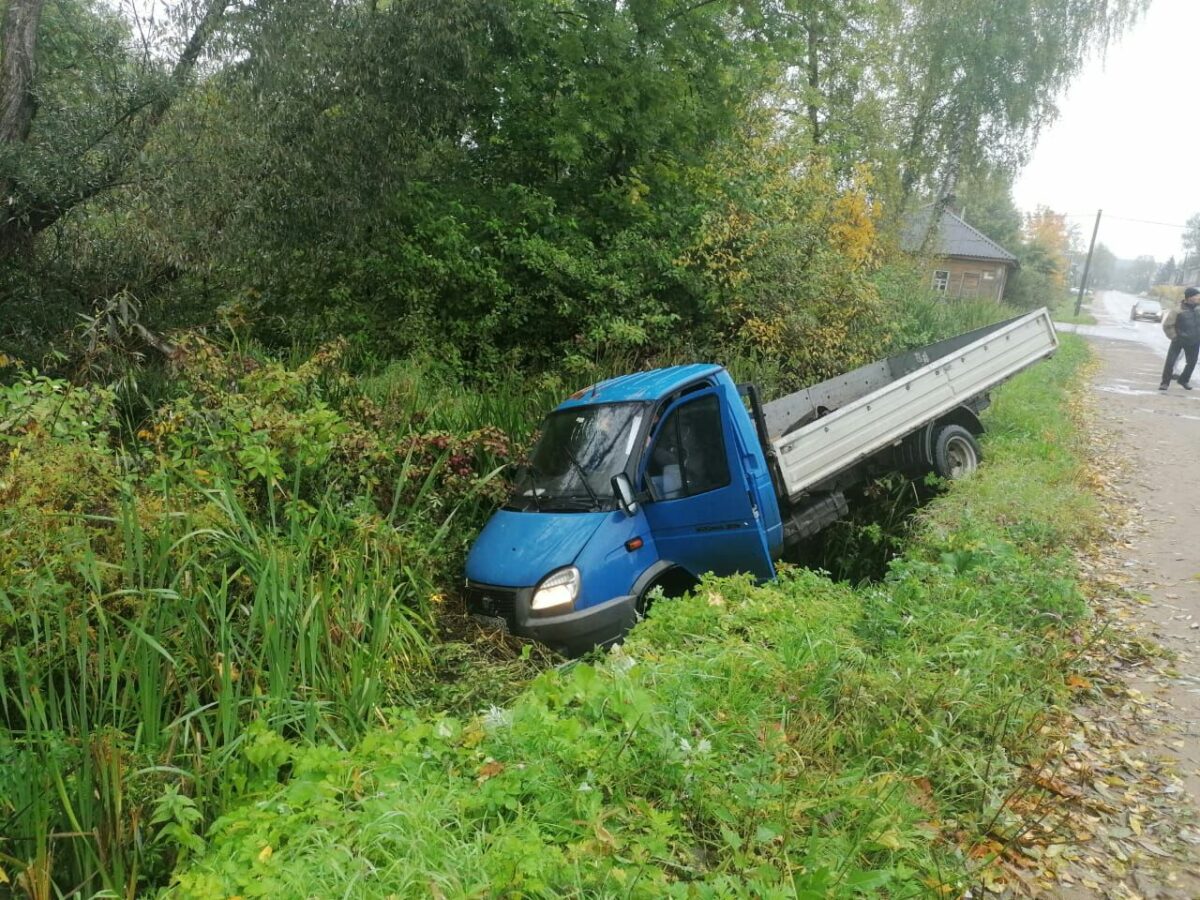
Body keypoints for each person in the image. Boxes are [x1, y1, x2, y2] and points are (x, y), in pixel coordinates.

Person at [1159, 287, 1200, 391]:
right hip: (1179, 340)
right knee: (1170, 362)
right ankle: (1165, 383)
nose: (1198, 297)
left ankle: (1183, 380)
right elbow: (1168, 325)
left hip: (1194, 341)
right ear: (1189, 297)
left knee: (1192, 363)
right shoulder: (1178, 310)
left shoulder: (1198, 309)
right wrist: (1174, 337)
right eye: (1196, 295)